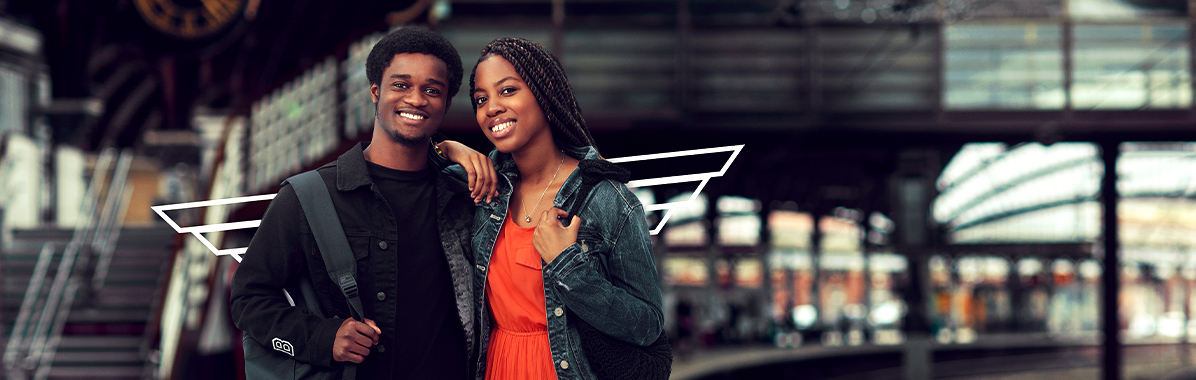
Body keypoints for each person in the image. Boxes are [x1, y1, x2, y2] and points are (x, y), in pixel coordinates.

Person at [230, 27, 497, 379]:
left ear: (446, 104)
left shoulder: (466, 194)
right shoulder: (308, 196)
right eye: (401, 85)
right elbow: (248, 299)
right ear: (376, 91)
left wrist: (447, 148)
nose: (416, 99)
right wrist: (323, 338)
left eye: (432, 90)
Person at [441, 37, 664, 380]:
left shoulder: (608, 200)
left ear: (544, 97)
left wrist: (567, 265)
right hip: (498, 368)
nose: (492, 108)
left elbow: (648, 325)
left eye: (508, 91)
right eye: (481, 99)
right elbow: (407, 166)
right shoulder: (484, 188)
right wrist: (450, 149)